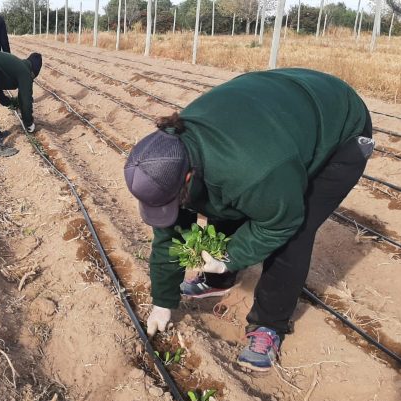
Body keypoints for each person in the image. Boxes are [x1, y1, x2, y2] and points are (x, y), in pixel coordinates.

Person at [124, 68, 373, 372]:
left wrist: (230, 255)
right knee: (220, 200)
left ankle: (269, 326)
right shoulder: (170, 153)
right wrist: (163, 301)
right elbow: (170, 234)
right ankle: (218, 280)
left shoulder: (254, 172)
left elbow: (282, 222)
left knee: (295, 231)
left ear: (187, 175)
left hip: (340, 126)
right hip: (275, 109)